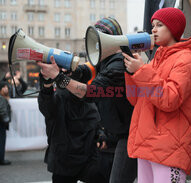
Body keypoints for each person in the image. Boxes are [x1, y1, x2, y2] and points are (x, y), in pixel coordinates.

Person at [38, 17, 137, 183]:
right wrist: (58, 76)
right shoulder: (105, 64)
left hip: (123, 138)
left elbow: (90, 92)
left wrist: (58, 76)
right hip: (70, 158)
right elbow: (83, 72)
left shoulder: (118, 65)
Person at [122, 8, 191, 183]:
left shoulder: (187, 59)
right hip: (148, 145)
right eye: (153, 25)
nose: (153, 30)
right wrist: (132, 74)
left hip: (169, 149)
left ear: (174, 29)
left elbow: (169, 99)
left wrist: (142, 71)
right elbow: (135, 99)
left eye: (159, 25)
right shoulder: (157, 57)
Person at [38, 67, 106, 183]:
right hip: (65, 160)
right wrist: (47, 85)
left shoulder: (88, 99)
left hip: (87, 156)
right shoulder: (60, 97)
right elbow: (47, 105)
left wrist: (101, 135)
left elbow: (96, 121)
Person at [0, 81, 12, 165]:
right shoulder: (2, 98)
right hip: (1, 123)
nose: (7, 89)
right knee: (1, 141)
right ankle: (1, 159)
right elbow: (2, 111)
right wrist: (6, 120)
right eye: (5, 87)